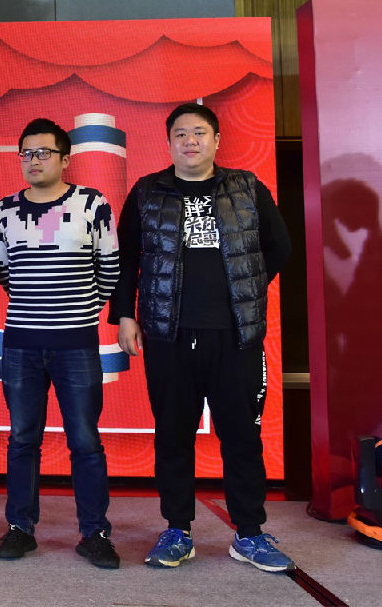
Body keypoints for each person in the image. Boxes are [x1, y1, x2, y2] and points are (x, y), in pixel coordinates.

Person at [111, 102, 292, 573]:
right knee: (173, 434)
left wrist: (246, 288)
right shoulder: (148, 191)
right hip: (167, 334)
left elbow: (279, 247)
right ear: (168, 142)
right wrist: (124, 316)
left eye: (199, 133)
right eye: (180, 134)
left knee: (241, 436)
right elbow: (127, 258)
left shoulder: (246, 187)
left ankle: (249, 533)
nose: (189, 141)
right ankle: (177, 530)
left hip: (235, 336)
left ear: (216, 140)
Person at [0, 118, 121, 569]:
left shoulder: (92, 204)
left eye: (44, 153)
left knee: (84, 439)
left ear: (65, 159)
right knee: (22, 439)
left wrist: (78, 311)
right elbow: (6, 273)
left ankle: (95, 533)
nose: (34, 161)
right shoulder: (5, 210)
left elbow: (110, 268)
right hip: (21, 343)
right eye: (26, 153)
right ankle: (20, 528)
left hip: (76, 343)